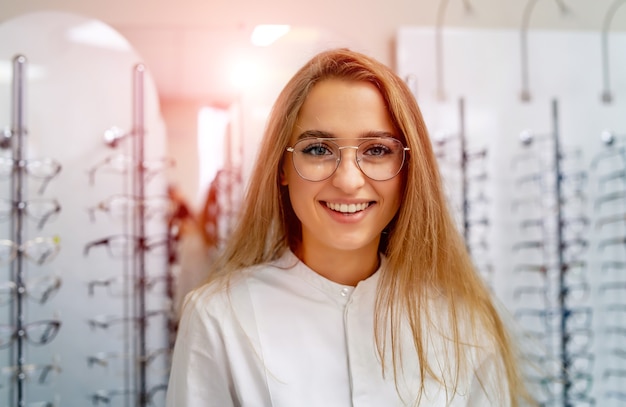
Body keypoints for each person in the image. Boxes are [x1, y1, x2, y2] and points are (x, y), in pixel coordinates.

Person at [165, 48, 530, 406]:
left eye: (376, 150)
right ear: (282, 168)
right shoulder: (219, 318)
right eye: (319, 149)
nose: (349, 181)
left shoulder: (462, 325)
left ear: (408, 172)